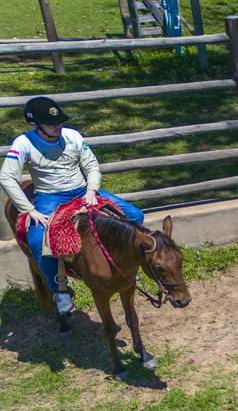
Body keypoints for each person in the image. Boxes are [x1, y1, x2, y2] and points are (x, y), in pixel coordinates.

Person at [0, 96, 145, 315]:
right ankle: (59, 289)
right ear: (37, 125)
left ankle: (130, 265)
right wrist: (29, 210)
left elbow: (91, 164)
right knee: (38, 240)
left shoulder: (72, 136)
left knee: (135, 215)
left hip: (81, 190)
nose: (59, 126)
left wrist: (91, 189)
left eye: (60, 122)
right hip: (50, 197)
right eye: (52, 124)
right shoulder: (23, 143)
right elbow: (7, 177)